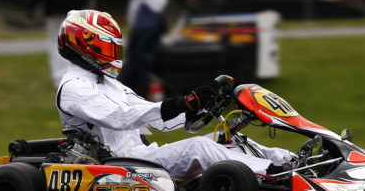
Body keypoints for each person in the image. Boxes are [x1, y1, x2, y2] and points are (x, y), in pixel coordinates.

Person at [55, 10, 294, 180]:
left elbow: (154, 118)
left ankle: (291, 161)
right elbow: (123, 117)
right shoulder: (73, 88)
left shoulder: (108, 83)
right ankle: (274, 174)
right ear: (83, 45)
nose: (111, 55)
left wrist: (195, 109)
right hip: (118, 166)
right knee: (198, 148)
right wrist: (182, 102)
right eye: (106, 48)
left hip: (141, 156)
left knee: (227, 140)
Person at [27, 0, 105, 88]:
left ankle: (60, 78)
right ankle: (82, 77)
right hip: (79, 4)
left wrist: (31, 6)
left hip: (54, 6)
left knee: (56, 42)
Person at [115, 0, 176, 99]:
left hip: (150, 2)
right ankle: (136, 87)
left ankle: (140, 89)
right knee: (138, 48)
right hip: (143, 2)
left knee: (143, 50)